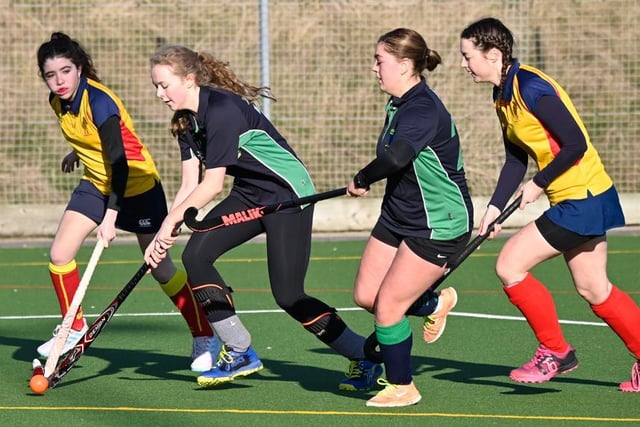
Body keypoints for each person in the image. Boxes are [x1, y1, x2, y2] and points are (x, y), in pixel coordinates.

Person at [144, 44, 382, 390]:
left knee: (288, 295)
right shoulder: (185, 121)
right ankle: (238, 349)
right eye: (156, 86)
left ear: (190, 79)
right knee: (195, 255)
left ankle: (362, 353)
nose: (159, 93)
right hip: (250, 193)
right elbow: (188, 185)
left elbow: (211, 186)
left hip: (287, 195)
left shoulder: (222, 111)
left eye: (164, 85)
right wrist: (165, 234)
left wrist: (169, 224)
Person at [459, 17, 640, 392]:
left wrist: (539, 184)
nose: (463, 64)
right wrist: (494, 207)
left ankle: (554, 351)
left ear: (493, 55)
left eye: (467, 56)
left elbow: (575, 143)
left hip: (582, 197)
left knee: (510, 265)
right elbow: (515, 159)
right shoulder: (502, 95)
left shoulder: (532, 88)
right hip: (578, 196)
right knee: (594, 289)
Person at [36, 32, 221, 373]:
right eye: (50, 75)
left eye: (65, 71)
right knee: (60, 255)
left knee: (160, 267)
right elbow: (93, 138)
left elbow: (120, 162)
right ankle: (74, 326)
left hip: (136, 186)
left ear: (79, 69)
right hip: (96, 184)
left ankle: (204, 333)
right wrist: (77, 151)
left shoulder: (100, 102)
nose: (59, 81)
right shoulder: (58, 101)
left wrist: (110, 218)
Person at [347, 28, 473, 407]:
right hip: (398, 215)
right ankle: (434, 304)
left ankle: (403, 386)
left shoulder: (421, 109)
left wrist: (363, 177)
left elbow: (398, 156)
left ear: (404, 65)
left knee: (388, 308)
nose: (374, 68)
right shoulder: (397, 103)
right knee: (366, 296)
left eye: (380, 61)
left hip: (439, 224)